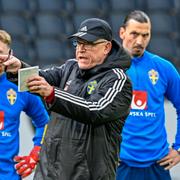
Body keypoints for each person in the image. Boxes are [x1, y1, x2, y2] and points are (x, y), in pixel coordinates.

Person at [1, 18, 132, 180]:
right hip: (49, 173)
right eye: (78, 43)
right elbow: (41, 77)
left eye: (89, 44)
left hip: (87, 175)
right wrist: (19, 68)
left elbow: (95, 110)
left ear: (106, 47)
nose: (81, 49)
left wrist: (52, 94)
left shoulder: (117, 80)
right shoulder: (70, 68)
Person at [116, 10, 180, 180]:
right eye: (134, 34)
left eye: (145, 35)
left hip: (158, 165)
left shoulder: (163, 68)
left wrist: (179, 148)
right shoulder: (107, 68)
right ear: (122, 33)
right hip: (120, 164)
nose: (140, 41)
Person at [0, 30, 49, 179]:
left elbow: (44, 122)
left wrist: (36, 152)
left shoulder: (20, 85)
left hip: (8, 175)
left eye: (0, 52)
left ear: (10, 55)